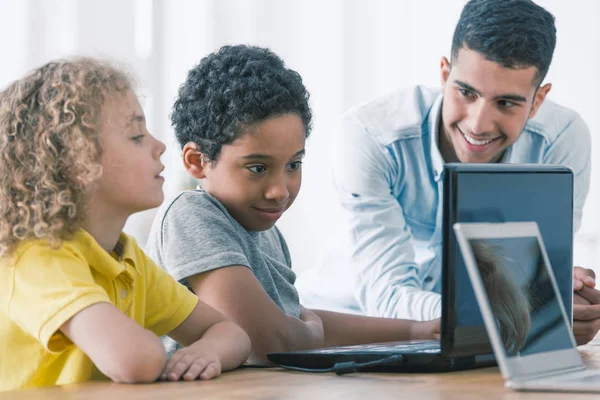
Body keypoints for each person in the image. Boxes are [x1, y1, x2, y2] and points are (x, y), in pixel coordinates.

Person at [296, 0, 600, 344]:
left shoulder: (561, 141)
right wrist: (531, 316)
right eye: (466, 92)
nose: (478, 124)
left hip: (477, 343)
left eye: (507, 103)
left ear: (538, 101)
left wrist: (565, 300)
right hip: (347, 333)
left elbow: (533, 283)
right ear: (444, 75)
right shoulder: (370, 137)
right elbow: (387, 298)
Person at [146, 45, 439, 365]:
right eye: (257, 168)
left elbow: (295, 323)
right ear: (197, 161)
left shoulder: (265, 230)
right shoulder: (190, 215)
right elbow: (269, 342)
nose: (280, 191)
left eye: (293, 165)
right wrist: (306, 329)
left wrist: (416, 331)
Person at [0, 58, 250, 391]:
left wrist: (207, 351)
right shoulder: (37, 260)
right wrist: (160, 352)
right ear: (78, 163)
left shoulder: (128, 260)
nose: (159, 146)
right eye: (135, 136)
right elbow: (135, 362)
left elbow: (231, 333)